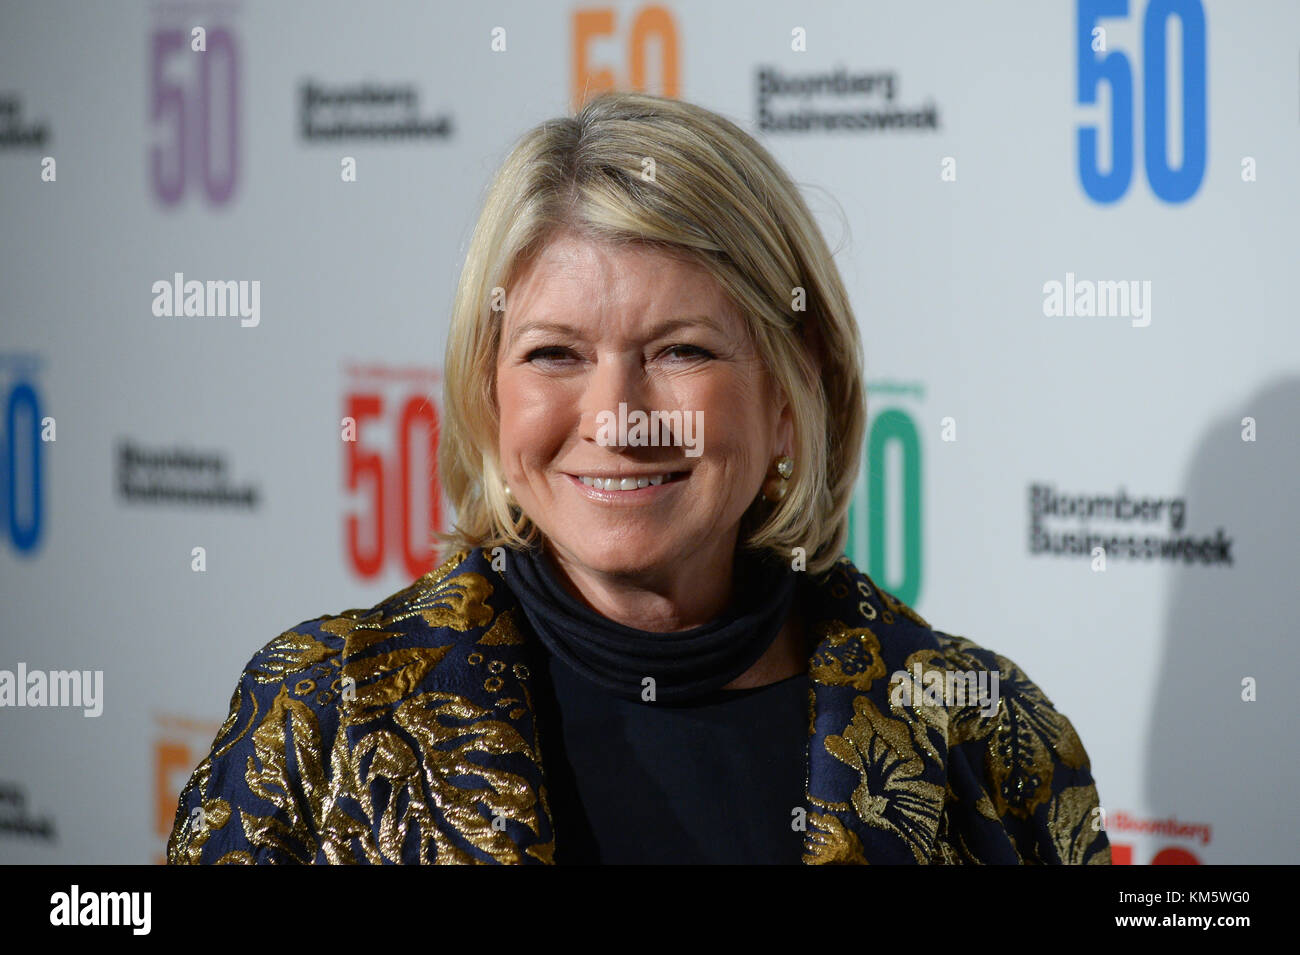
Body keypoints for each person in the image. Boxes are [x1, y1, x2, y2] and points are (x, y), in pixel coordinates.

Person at [167, 90, 1110, 865]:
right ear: (487, 392)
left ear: (792, 391)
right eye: (555, 355)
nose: (618, 418)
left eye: (681, 349)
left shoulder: (985, 732)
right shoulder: (319, 718)